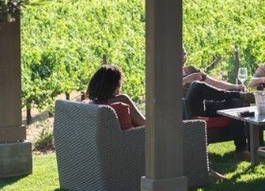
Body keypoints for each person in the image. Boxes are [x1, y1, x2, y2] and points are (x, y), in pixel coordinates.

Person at [86, 64, 227, 181]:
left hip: (122, 147)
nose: (120, 87)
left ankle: (207, 171)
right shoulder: (121, 100)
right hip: (139, 145)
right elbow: (146, 126)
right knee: (184, 130)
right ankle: (204, 172)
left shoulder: (90, 105)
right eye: (119, 84)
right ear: (113, 85)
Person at [182, 48, 253, 161]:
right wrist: (186, 80)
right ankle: (236, 94)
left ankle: (241, 150)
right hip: (187, 109)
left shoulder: (191, 69)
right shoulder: (167, 73)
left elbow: (213, 83)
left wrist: (236, 86)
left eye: (184, 54)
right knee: (196, 85)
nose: (182, 57)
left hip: (206, 105)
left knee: (236, 103)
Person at [85, 64, 146, 129]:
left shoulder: (88, 105)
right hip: (131, 138)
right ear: (116, 86)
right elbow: (145, 124)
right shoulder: (122, 100)